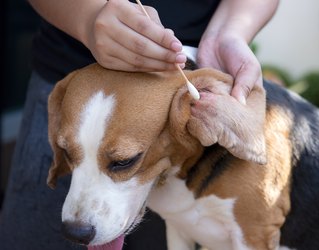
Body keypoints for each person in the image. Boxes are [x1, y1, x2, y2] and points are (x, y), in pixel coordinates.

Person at [0, 0, 279, 249]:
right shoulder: (65, 107)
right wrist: (87, 18)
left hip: (187, 85)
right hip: (70, 81)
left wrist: (228, 32)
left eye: (121, 161)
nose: (76, 217)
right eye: (71, 153)